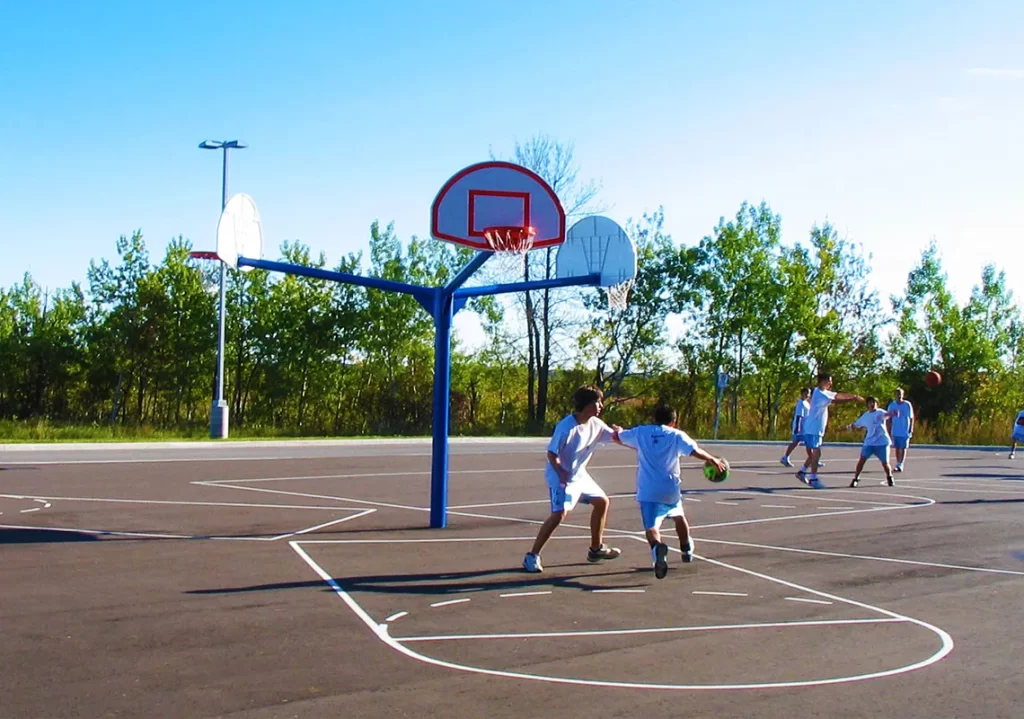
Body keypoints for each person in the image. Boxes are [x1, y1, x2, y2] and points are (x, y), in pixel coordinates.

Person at [614, 404, 728, 578]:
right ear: (673, 421)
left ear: (654, 418)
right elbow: (694, 451)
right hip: (670, 487)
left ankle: (657, 547)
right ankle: (686, 548)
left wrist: (619, 430)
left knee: (651, 527)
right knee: (678, 516)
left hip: (648, 489)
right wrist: (712, 459)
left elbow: (619, 437)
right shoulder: (676, 435)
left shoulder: (641, 432)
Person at [523, 385, 623, 573]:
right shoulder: (567, 427)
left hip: (580, 476)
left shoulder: (596, 424)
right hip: (560, 476)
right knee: (559, 515)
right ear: (585, 405)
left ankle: (596, 549)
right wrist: (561, 472)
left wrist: (621, 433)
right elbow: (552, 454)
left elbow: (615, 437)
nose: (601, 406)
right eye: (597, 402)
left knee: (602, 502)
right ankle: (532, 556)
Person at [797, 373, 863, 488]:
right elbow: (836, 400)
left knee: (814, 454)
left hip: (815, 428)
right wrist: (853, 399)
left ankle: (802, 472)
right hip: (813, 428)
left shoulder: (825, 392)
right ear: (823, 381)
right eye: (829, 381)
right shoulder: (819, 394)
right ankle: (813, 478)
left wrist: (854, 395)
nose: (831, 383)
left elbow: (838, 395)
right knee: (817, 452)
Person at [845, 397, 896, 487]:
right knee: (861, 460)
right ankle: (856, 478)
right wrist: (849, 426)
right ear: (867, 405)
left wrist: (893, 413)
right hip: (869, 443)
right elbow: (856, 424)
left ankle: (890, 477)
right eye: (870, 403)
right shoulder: (865, 416)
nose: (872, 404)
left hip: (882, 442)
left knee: (885, 463)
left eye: (874, 403)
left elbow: (888, 414)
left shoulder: (880, 412)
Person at [781, 388, 811, 467]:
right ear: (803, 393)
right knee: (804, 442)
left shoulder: (807, 403)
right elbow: (799, 416)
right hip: (801, 427)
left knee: (797, 442)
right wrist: (797, 428)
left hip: (806, 427)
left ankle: (785, 457)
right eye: (807, 393)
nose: (808, 395)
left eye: (809, 393)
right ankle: (812, 459)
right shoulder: (800, 403)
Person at [887, 388, 915, 472]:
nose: (899, 396)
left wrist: (911, 428)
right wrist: (888, 430)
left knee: (903, 447)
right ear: (895, 395)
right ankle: (898, 463)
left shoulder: (907, 404)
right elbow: (888, 418)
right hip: (895, 430)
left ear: (903, 395)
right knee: (897, 447)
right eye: (897, 394)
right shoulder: (892, 405)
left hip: (905, 430)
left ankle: (901, 464)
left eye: (900, 394)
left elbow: (911, 417)